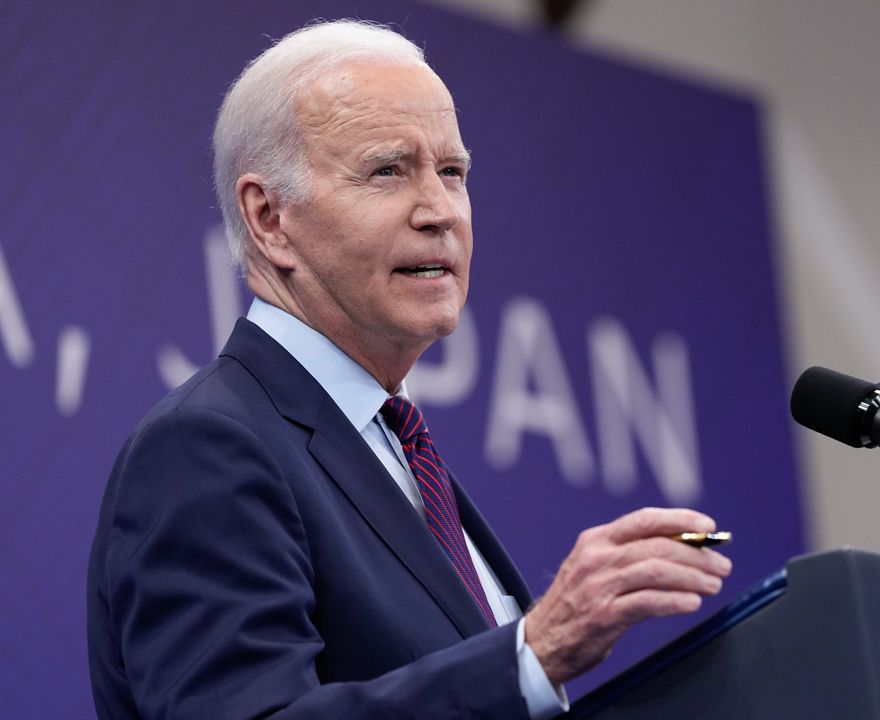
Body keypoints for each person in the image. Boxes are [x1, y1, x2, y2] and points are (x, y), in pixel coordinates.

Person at [86, 19, 731, 720]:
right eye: (388, 170)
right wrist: (532, 654)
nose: (440, 211)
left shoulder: (394, 448)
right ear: (269, 218)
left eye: (453, 172)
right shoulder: (206, 448)